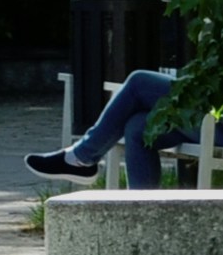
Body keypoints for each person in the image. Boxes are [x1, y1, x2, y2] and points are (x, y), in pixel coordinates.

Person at [29, 67, 184, 187]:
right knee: (137, 127)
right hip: (198, 118)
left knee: (139, 82)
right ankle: (142, 214)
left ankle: (80, 158)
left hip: (205, 114)